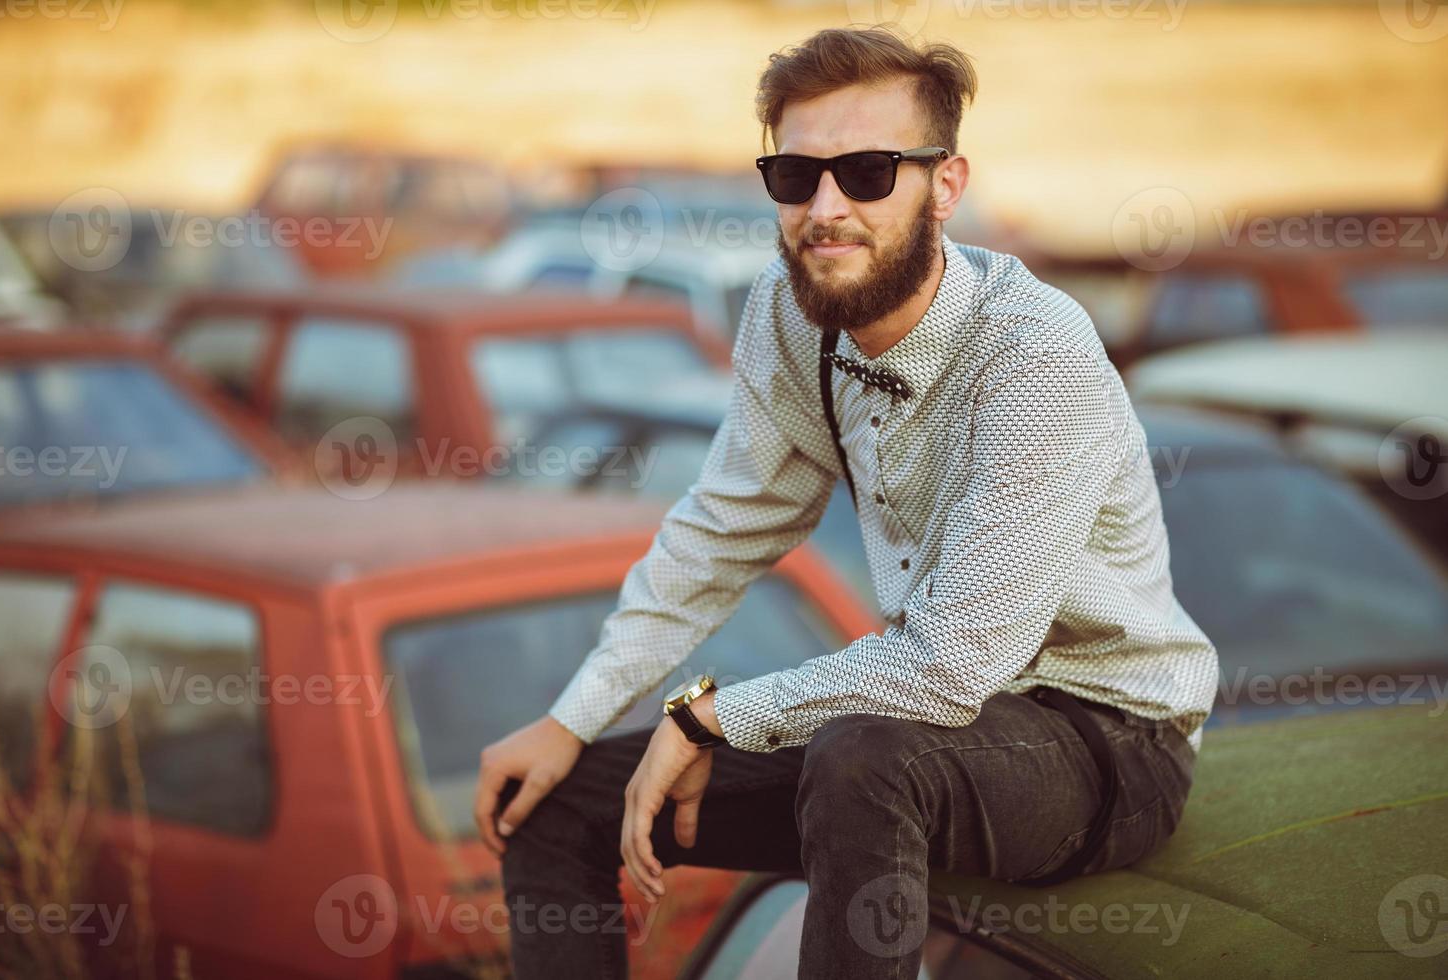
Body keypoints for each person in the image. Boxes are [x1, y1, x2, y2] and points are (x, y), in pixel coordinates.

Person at [475, 25, 1218, 979]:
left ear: (945, 186)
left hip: (1107, 740)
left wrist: (711, 717)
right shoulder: (790, 315)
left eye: (868, 172)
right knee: (557, 801)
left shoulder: (1038, 353)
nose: (826, 209)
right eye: (796, 176)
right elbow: (719, 532)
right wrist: (572, 716)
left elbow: (953, 666)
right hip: (918, 740)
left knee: (861, 759)